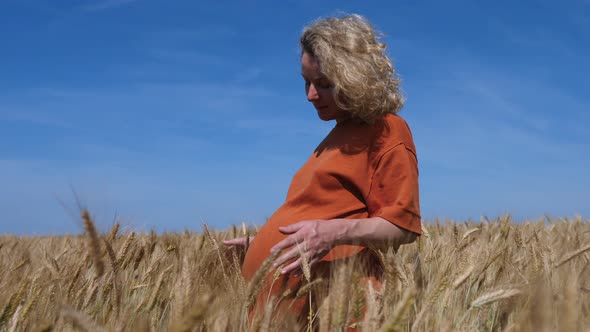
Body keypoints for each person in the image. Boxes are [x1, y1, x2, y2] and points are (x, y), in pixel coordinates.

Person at [223, 13, 421, 324]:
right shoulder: (335, 136)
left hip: (336, 310)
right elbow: (324, 211)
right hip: (289, 311)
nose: (310, 95)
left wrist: (332, 233)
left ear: (355, 77)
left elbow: (403, 226)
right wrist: (259, 245)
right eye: (306, 83)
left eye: (324, 84)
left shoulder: (388, 130)